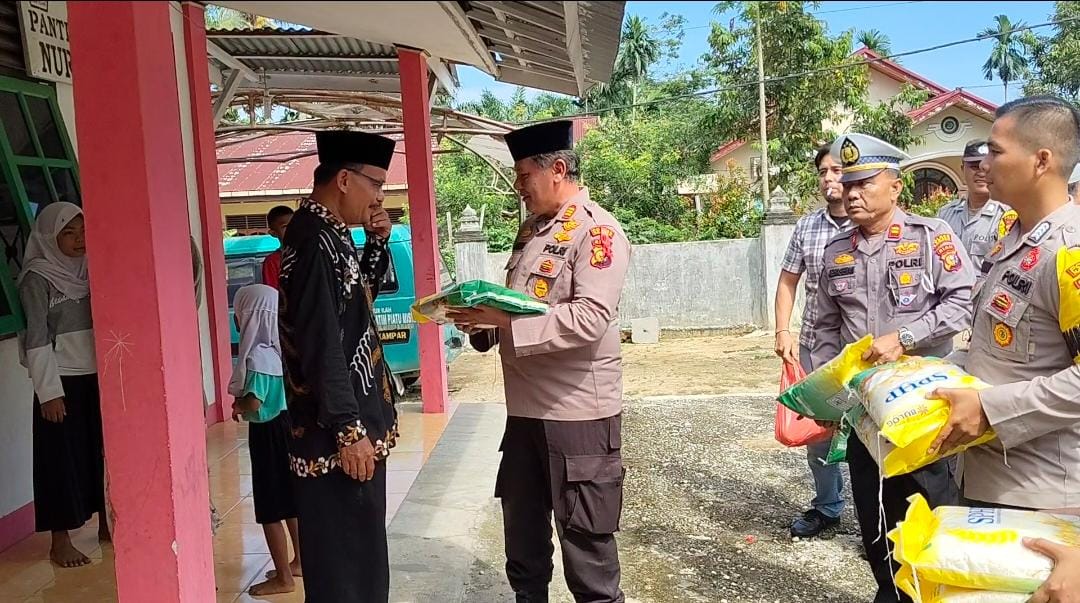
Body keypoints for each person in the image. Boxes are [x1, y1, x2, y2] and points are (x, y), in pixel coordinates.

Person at [448, 120, 631, 603]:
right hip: (524, 414)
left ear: (557, 169)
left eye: (524, 175)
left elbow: (590, 318)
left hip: (577, 416)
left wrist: (505, 323)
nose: (518, 186)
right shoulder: (531, 231)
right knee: (524, 546)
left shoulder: (598, 231)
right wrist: (481, 323)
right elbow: (519, 305)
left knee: (587, 555)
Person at [810, 133, 975, 603]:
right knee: (875, 518)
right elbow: (824, 327)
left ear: (895, 187)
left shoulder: (931, 237)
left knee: (931, 514)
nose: (851, 193)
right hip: (864, 411)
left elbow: (962, 303)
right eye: (848, 184)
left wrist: (904, 337)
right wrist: (825, 398)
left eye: (864, 183)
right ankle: (890, 593)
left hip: (921, 407)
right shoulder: (835, 250)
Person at [926, 96, 1080, 515]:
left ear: (1041, 160)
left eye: (995, 151)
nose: (983, 164)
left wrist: (990, 410)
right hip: (986, 475)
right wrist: (927, 374)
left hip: (1042, 495)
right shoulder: (1012, 238)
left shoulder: (1069, 252)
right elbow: (997, 350)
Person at [278, 130, 397, 603]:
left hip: (351, 424)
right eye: (376, 184)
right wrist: (349, 430)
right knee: (345, 566)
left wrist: (377, 242)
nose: (379, 197)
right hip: (336, 436)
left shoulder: (331, 232)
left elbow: (357, 303)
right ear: (344, 180)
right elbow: (320, 343)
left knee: (360, 557)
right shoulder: (312, 241)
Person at [17, 202, 109, 568]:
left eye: (83, 231)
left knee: (101, 453)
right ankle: (60, 541)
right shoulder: (37, 278)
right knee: (59, 461)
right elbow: (36, 338)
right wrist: (49, 393)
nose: (79, 240)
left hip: (97, 378)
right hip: (61, 384)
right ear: (48, 237)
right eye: (68, 233)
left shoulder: (92, 268)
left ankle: (107, 523)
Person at [774, 144, 853, 538]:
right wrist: (783, 331)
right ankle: (827, 507)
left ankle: (882, 519)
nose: (829, 179)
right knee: (819, 433)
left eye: (837, 170)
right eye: (823, 172)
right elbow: (788, 281)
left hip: (862, 349)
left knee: (872, 431)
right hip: (815, 345)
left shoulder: (872, 224)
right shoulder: (807, 227)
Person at [229, 284, 301, 596]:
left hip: (267, 434)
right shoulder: (279, 350)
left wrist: (238, 405)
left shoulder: (256, 356)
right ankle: (300, 562)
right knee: (290, 501)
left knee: (270, 507)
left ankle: (283, 578)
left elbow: (255, 402)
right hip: (286, 427)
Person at [936, 139, 1016, 271]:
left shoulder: (1007, 216)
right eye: (974, 166)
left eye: (986, 166)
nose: (981, 172)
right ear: (962, 169)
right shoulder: (945, 215)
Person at [262, 206, 294, 290]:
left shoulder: (309, 253)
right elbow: (272, 292)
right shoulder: (272, 261)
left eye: (295, 224)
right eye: (285, 226)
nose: (293, 229)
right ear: (273, 233)